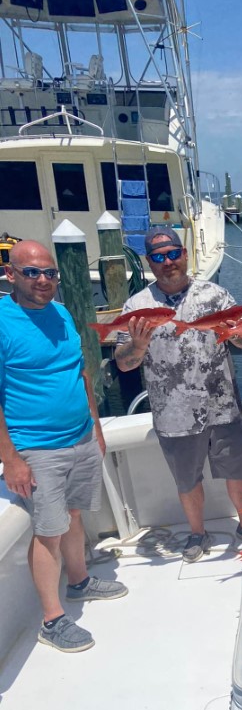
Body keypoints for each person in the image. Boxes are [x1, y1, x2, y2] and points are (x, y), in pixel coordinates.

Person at [0, 241, 127, 653]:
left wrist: (95, 424)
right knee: (49, 532)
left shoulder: (61, 311)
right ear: (10, 274)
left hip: (80, 435)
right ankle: (52, 621)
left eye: (49, 273)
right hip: (36, 446)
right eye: (31, 273)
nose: (43, 281)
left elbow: (81, 372)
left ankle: (80, 581)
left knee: (74, 515)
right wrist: (11, 458)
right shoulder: (3, 321)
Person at [115, 227, 242, 562]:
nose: (168, 262)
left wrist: (236, 333)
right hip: (173, 413)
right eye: (159, 257)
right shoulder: (137, 305)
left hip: (222, 406)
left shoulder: (216, 295)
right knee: (187, 480)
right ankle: (197, 533)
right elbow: (124, 363)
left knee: (237, 471)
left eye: (173, 253)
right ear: (149, 262)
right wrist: (138, 345)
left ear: (185, 254)